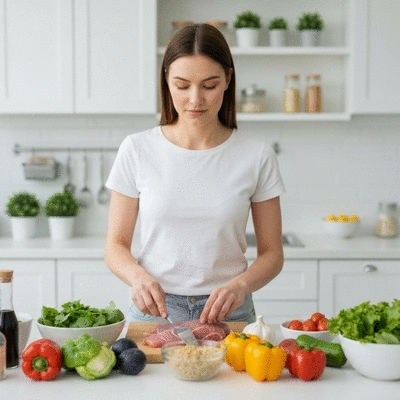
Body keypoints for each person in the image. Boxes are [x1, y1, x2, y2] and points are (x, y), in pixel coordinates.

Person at [105, 23, 285, 325]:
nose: (195, 99)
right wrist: (138, 277)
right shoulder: (137, 148)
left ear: (228, 79)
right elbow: (115, 246)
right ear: (166, 81)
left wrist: (240, 285)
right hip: (155, 312)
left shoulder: (257, 155)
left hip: (229, 311)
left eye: (209, 85)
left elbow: (272, 253)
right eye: (182, 85)